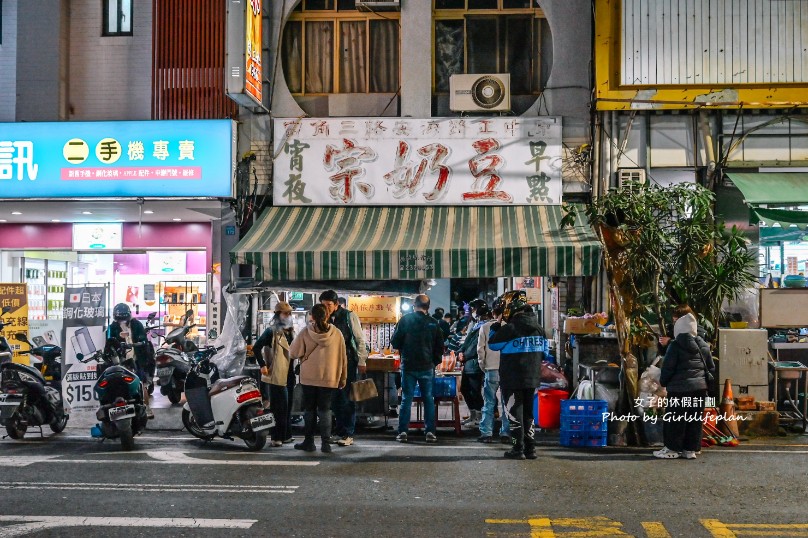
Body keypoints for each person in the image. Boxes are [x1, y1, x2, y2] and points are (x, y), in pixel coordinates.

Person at [488, 291, 544, 460]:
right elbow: (545, 352)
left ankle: (517, 448)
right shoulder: (539, 329)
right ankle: (530, 449)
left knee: (514, 414)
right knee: (528, 414)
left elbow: (493, 345)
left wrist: (495, 326)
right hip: (532, 377)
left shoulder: (510, 329)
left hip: (512, 378)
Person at [654, 306, 714, 460]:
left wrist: (664, 382)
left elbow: (668, 367)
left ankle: (672, 449)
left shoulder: (675, 345)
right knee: (694, 419)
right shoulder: (703, 345)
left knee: (675, 419)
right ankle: (690, 450)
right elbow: (711, 367)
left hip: (679, 389)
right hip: (700, 388)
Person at [290, 304, 347, 454]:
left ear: (312, 317)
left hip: (309, 377)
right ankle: (326, 444)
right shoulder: (337, 333)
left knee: (309, 409)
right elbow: (343, 358)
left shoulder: (305, 332)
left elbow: (293, 353)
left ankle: (309, 442)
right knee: (325, 409)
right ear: (327, 315)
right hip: (329, 378)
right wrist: (343, 377)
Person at [390, 294, 445, 443]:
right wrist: (434, 362)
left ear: (414, 305)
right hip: (427, 366)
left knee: (406, 399)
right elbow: (440, 346)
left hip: (408, 366)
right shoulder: (434, 323)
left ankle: (402, 432)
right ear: (428, 306)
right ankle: (430, 432)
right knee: (428, 399)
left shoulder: (405, 320)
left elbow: (395, 342)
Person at [319, 290, 367, 447]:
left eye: (329, 305)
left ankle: (348, 433)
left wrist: (362, 360)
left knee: (346, 397)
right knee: (334, 398)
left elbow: (360, 339)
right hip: (329, 363)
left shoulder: (349, 316)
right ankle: (339, 430)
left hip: (348, 362)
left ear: (336, 304)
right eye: (323, 305)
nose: (326, 308)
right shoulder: (322, 317)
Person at [253, 301, 296, 447]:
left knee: (288, 405)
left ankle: (286, 435)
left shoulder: (290, 331)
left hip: (289, 373)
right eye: (286, 313)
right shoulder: (271, 331)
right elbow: (256, 347)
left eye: (290, 313)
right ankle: (276, 437)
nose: (288, 316)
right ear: (278, 315)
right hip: (277, 373)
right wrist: (263, 365)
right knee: (280, 407)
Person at [107, 303, 154, 418]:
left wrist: (139, 342)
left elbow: (143, 338)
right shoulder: (112, 327)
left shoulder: (136, 324)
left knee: (140, 383)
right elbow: (108, 340)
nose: (121, 321)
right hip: (118, 361)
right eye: (119, 318)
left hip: (134, 359)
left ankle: (147, 407)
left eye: (124, 318)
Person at [477, 304, 511, 444]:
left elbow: (480, 350)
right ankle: (505, 432)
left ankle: (486, 433)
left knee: (489, 402)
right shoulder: (509, 327)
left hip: (490, 369)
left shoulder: (485, 327)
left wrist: (483, 366)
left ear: (492, 313)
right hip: (506, 370)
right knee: (506, 403)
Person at [458, 303, 488, 427]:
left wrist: (465, 355)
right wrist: (460, 351)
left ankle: (479, 417)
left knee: (475, 391)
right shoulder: (476, 325)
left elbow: (477, 346)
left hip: (475, 364)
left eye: (474, 309)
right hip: (469, 363)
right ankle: (473, 415)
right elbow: (467, 342)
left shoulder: (484, 326)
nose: (472, 311)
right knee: (465, 389)